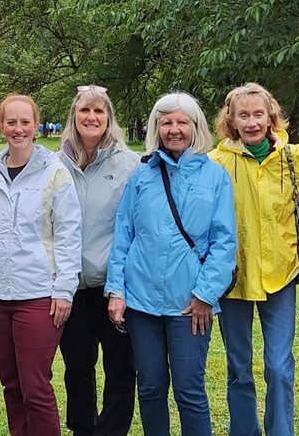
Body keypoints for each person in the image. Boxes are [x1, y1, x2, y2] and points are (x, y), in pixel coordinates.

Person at [105, 92, 237, 436]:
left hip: (190, 303)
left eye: (182, 122)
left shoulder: (215, 176)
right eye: (167, 123)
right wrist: (116, 290)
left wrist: (206, 294)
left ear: (195, 127)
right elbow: (124, 236)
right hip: (141, 302)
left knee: (189, 390)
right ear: (157, 127)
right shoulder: (142, 175)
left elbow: (225, 243)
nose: (174, 129)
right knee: (149, 387)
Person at [0, 94, 82, 436]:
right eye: (11, 122)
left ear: (36, 125)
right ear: (0, 126)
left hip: (39, 295)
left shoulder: (54, 173)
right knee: (11, 384)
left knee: (35, 386)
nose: (18, 129)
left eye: (25, 122)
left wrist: (64, 290)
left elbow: (69, 234)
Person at [209, 83, 299, 436]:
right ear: (231, 120)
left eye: (258, 114)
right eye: (243, 115)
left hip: (281, 275)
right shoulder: (214, 163)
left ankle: (280, 431)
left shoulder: (298, 158)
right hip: (233, 278)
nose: (252, 122)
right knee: (238, 366)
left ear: (271, 117)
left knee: (279, 367)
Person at [57, 85, 141, 436]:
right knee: (77, 366)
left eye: (99, 112)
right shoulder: (54, 164)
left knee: (121, 367)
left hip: (115, 285)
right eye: (84, 111)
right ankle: (83, 429)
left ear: (109, 119)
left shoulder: (130, 165)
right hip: (70, 287)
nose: (91, 118)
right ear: (74, 118)